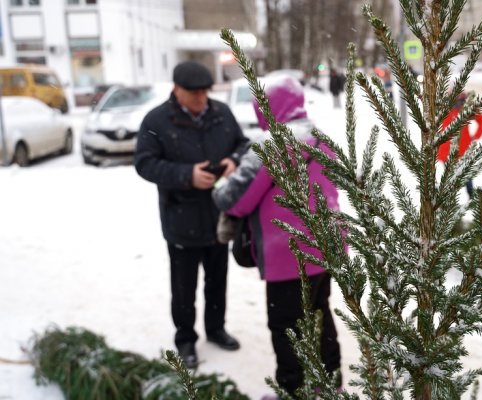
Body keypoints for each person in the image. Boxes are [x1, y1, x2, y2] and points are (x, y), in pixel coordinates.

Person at [212, 76, 342, 399]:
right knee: (319, 315)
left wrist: (219, 188)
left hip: (288, 254)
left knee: (286, 327)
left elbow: (234, 199)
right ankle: (330, 383)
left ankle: (293, 390)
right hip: (326, 246)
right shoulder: (321, 137)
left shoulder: (272, 144)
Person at [134, 61, 249, 369]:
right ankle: (185, 339)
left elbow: (242, 144)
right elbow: (144, 163)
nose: (201, 99)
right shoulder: (157, 120)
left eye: (204, 92)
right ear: (176, 90)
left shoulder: (221, 113)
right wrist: (187, 175)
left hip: (218, 216)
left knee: (217, 280)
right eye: (194, 93)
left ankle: (215, 329)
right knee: (184, 286)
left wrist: (233, 161)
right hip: (181, 218)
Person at [437, 91, 482, 198]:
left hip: (463, 149)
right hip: (447, 149)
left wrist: (476, 136)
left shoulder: (466, 109)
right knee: (450, 176)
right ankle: (450, 199)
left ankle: (471, 196)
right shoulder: (444, 108)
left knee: (466, 174)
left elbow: (481, 120)